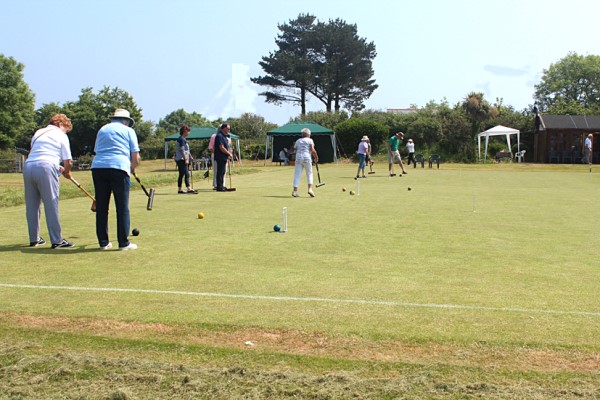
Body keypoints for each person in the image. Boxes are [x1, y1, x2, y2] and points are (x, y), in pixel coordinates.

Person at [91, 109, 140, 250]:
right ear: (127, 121)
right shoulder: (129, 131)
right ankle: (123, 243)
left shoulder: (102, 129)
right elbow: (135, 157)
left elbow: (97, 150)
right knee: (122, 207)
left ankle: (103, 243)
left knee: (102, 207)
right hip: (119, 167)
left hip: (98, 167)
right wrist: (132, 168)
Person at [23, 114, 75, 249]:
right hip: (46, 166)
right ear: (60, 124)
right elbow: (68, 161)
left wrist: (59, 168)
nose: (66, 132)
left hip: (28, 166)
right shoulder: (61, 135)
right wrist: (67, 172)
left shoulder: (38, 132)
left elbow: (40, 152)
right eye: (66, 128)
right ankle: (57, 240)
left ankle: (34, 239)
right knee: (51, 203)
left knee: (32, 205)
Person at [292, 128, 319, 197]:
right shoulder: (310, 140)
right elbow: (313, 150)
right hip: (307, 157)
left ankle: (295, 191)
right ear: (308, 134)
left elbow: (294, 150)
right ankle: (310, 189)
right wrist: (316, 157)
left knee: (297, 174)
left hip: (298, 158)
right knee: (309, 173)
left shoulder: (298, 141)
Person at [175, 124, 197, 194]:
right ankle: (188, 188)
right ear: (185, 131)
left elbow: (187, 150)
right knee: (186, 173)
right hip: (181, 159)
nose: (189, 133)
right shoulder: (181, 139)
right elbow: (182, 150)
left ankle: (180, 189)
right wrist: (185, 159)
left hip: (182, 158)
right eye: (188, 131)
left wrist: (190, 156)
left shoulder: (183, 139)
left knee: (181, 174)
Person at [214, 123, 233, 191]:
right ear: (223, 128)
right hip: (220, 156)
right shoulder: (219, 136)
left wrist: (228, 155)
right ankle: (219, 187)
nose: (229, 130)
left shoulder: (224, 136)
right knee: (220, 171)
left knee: (223, 171)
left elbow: (226, 146)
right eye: (228, 129)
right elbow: (221, 147)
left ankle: (222, 185)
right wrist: (229, 153)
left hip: (224, 157)